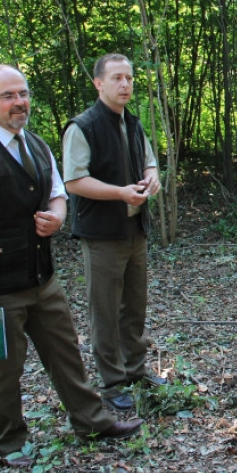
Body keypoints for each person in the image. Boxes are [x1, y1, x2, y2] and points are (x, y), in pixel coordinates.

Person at [0, 64, 143, 468]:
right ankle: (10, 443)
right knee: (5, 370)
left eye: (23, 93)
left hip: (41, 277)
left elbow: (57, 193)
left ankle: (93, 422)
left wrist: (58, 216)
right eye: (8, 96)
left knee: (65, 352)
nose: (19, 102)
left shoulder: (34, 145)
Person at [63, 54, 166, 412]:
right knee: (105, 311)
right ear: (99, 83)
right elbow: (74, 181)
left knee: (134, 306)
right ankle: (112, 383)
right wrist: (120, 192)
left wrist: (152, 178)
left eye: (129, 78)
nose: (125, 84)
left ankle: (135, 370)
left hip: (135, 229)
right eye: (117, 78)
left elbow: (149, 160)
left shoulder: (133, 124)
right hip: (102, 234)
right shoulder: (83, 127)